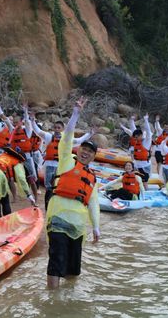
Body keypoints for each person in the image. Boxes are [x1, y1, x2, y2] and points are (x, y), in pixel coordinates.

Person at [46, 96, 100, 289]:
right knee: (56, 262)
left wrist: (96, 227)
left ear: (94, 157)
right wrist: (76, 113)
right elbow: (67, 137)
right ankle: (52, 302)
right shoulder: (67, 161)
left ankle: (68, 303)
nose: (86, 152)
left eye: (90, 151)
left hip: (77, 227)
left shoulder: (92, 177)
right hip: (58, 220)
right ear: (79, 151)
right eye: (84, 149)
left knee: (73, 269)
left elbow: (93, 203)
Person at [31, 116, 93, 210]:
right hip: (49, 165)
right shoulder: (48, 137)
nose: (56, 130)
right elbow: (37, 131)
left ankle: (56, 206)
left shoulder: (66, 140)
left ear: (63, 129)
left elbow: (79, 141)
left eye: (58, 128)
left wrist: (90, 133)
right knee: (48, 187)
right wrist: (31, 120)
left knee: (58, 186)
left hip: (60, 166)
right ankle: (48, 208)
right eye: (55, 127)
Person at [0, 147, 37, 218]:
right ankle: (7, 220)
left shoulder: (3, 154)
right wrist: (29, 195)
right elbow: (21, 179)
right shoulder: (17, 162)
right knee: (5, 200)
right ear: (21, 159)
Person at [9, 104, 39, 201]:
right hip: (15, 157)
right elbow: (5, 120)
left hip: (26, 156)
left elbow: (27, 122)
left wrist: (25, 111)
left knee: (31, 178)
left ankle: (36, 197)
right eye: (14, 123)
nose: (15, 124)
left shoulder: (27, 131)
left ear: (21, 122)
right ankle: (16, 196)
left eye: (17, 122)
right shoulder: (12, 131)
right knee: (12, 178)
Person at [120, 113, 153, 189]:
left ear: (141, 135)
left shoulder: (146, 142)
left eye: (137, 137)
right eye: (135, 137)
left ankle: (145, 196)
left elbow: (148, 131)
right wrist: (131, 120)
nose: (135, 138)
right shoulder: (136, 140)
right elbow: (132, 129)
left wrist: (146, 120)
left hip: (144, 166)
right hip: (136, 165)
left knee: (144, 182)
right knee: (135, 181)